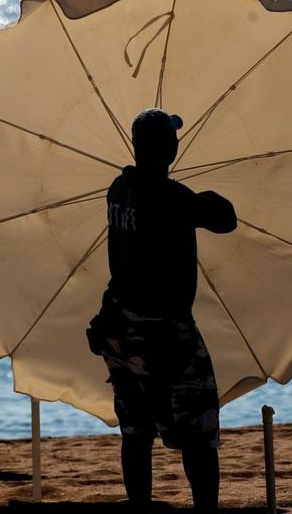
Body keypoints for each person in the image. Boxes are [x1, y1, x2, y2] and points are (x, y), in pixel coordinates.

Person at [88, 108, 237, 513]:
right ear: (170, 148)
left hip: (121, 326)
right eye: (173, 138)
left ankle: (140, 507)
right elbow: (226, 218)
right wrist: (194, 196)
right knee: (198, 432)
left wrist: (186, 196)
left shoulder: (119, 189)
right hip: (165, 332)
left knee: (136, 430)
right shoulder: (171, 198)